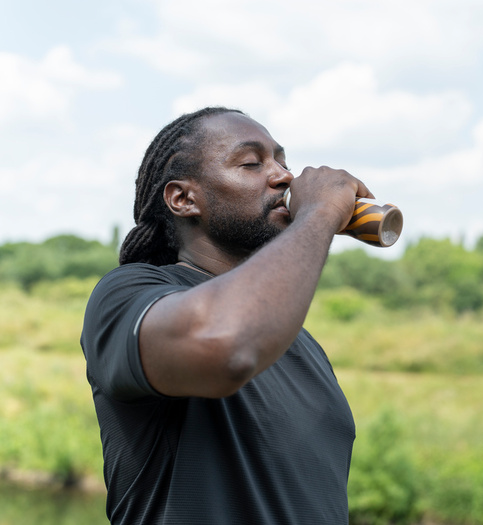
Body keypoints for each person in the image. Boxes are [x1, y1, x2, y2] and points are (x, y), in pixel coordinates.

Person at [80, 107, 374, 524]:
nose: (284, 177)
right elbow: (226, 344)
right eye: (252, 163)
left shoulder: (300, 343)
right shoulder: (126, 294)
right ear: (183, 199)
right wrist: (321, 213)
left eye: (282, 161)